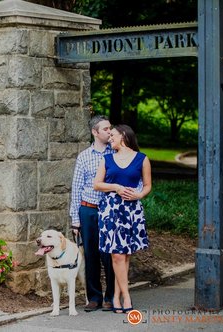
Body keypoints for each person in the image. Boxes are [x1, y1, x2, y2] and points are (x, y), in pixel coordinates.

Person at [93, 124, 152, 314]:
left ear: (124, 136)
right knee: (117, 254)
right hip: (111, 210)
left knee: (125, 254)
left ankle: (117, 296)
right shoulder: (107, 159)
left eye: (112, 136)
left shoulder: (142, 159)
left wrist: (139, 195)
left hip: (132, 210)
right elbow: (97, 185)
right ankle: (126, 296)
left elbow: (148, 186)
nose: (110, 139)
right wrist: (116, 187)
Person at [67, 115, 115, 312]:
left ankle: (111, 296)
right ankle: (94, 297)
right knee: (91, 254)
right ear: (95, 132)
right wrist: (75, 220)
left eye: (110, 128)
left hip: (110, 211)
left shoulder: (117, 153)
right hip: (88, 210)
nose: (110, 132)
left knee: (110, 255)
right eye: (105, 129)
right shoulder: (84, 156)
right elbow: (76, 188)